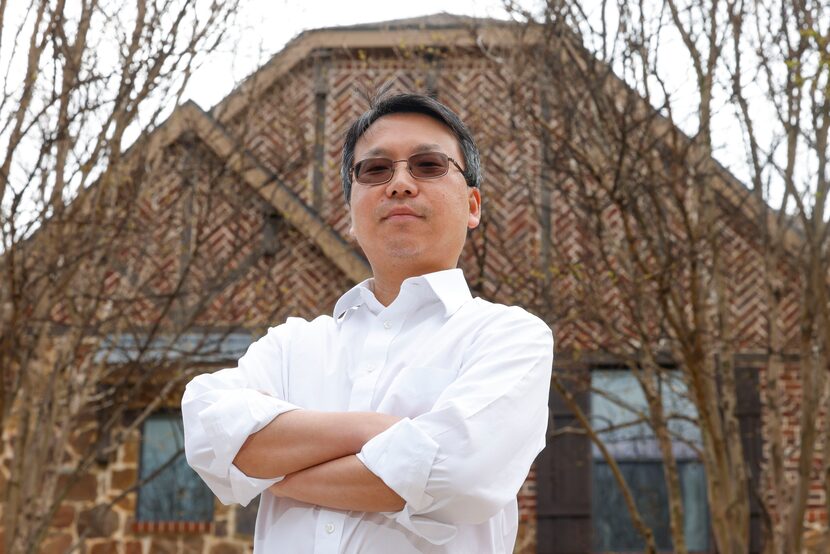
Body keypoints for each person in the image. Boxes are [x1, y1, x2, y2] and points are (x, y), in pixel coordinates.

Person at [182, 91, 554, 553]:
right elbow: (207, 431)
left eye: (428, 165)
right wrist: (376, 431)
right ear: (351, 217)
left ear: (473, 205)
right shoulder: (292, 345)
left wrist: (275, 473)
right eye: (376, 170)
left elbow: (457, 472)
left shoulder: (509, 338)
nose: (400, 183)